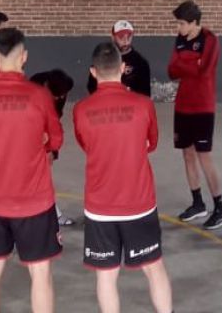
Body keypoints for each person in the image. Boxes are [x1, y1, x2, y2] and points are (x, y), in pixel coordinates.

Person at [74, 42, 173, 313]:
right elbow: (151, 143)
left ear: (93, 72)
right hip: (138, 203)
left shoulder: (81, 110)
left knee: (106, 276)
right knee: (154, 268)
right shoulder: (143, 105)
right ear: (123, 68)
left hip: (100, 207)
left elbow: (86, 145)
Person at [0, 28, 63, 313]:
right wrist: (41, 140)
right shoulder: (38, 96)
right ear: (24, 57)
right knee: (41, 274)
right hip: (34, 202)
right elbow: (56, 139)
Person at [167, 0, 222, 230]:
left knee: (205, 157)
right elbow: (171, 70)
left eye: (182, 23)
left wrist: (186, 64)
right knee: (187, 155)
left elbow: (205, 71)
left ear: (194, 23)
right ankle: (198, 203)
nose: (179, 28)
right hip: (182, 105)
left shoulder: (209, 40)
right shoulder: (180, 40)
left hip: (203, 106)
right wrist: (192, 63)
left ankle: (220, 208)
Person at [30, 69, 76, 227]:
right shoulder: (34, 84)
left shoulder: (61, 90)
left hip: (45, 138)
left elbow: (54, 120)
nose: (60, 98)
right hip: (27, 137)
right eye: (56, 95)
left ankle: (53, 214)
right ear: (47, 85)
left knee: (44, 180)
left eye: (62, 95)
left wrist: (51, 150)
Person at [86, 20, 152, 97]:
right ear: (113, 37)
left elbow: (145, 94)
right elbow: (92, 88)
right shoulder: (103, 58)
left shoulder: (140, 63)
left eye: (129, 36)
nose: (125, 40)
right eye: (121, 36)